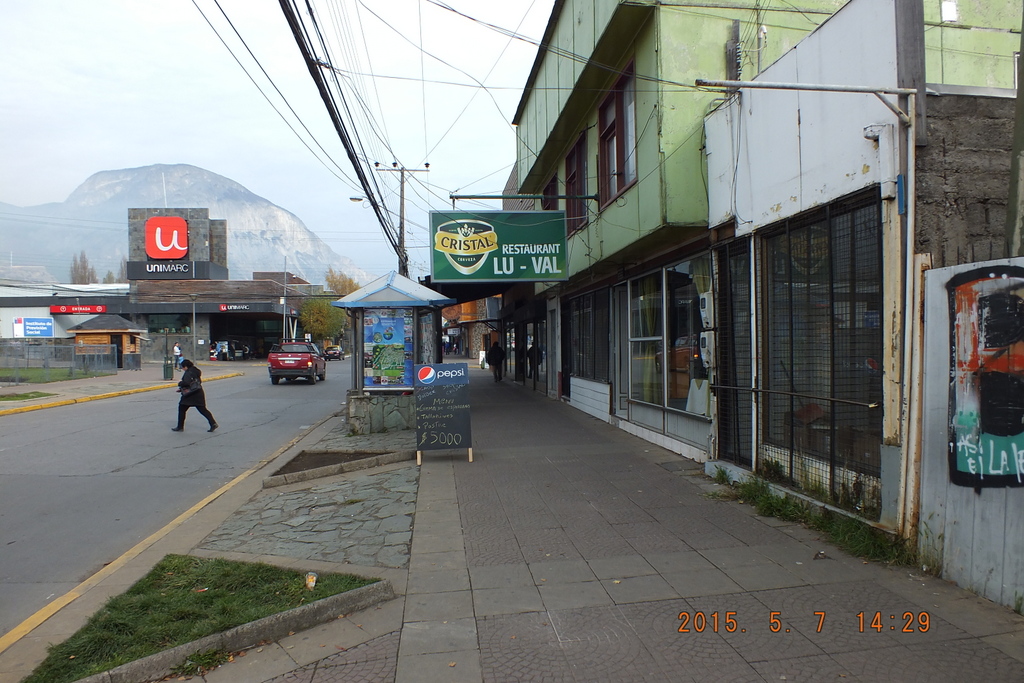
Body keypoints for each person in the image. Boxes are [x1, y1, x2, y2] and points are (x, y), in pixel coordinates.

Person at [172, 359, 218, 432]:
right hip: (198, 393)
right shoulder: (196, 371)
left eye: (183, 367)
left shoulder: (188, 373)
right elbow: (194, 383)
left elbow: (186, 383)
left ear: (186, 367)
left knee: (182, 409)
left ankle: (180, 426)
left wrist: (180, 384)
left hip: (189, 395)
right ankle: (213, 423)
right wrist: (181, 390)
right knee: (203, 410)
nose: (183, 369)